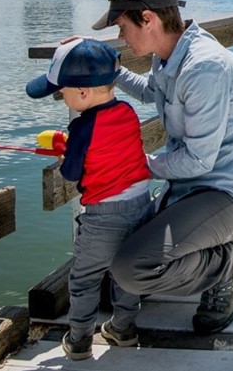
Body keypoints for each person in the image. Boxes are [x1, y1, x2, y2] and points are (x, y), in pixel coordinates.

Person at [93, 0, 233, 336]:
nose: (120, 36)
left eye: (122, 26)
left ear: (148, 18)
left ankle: (227, 262)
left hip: (224, 194)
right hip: (184, 189)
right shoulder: (169, 54)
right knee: (114, 283)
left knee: (131, 271)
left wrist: (132, 165)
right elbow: (151, 92)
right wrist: (111, 71)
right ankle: (211, 244)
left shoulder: (204, 66)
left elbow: (200, 162)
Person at [26, 39, 152, 360]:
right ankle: (123, 328)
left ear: (82, 93)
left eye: (61, 92)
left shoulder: (82, 127)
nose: (60, 97)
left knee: (84, 279)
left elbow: (70, 173)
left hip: (103, 217)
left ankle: (80, 339)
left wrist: (66, 150)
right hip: (140, 206)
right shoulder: (127, 111)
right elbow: (111, 150)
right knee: (127, 273)